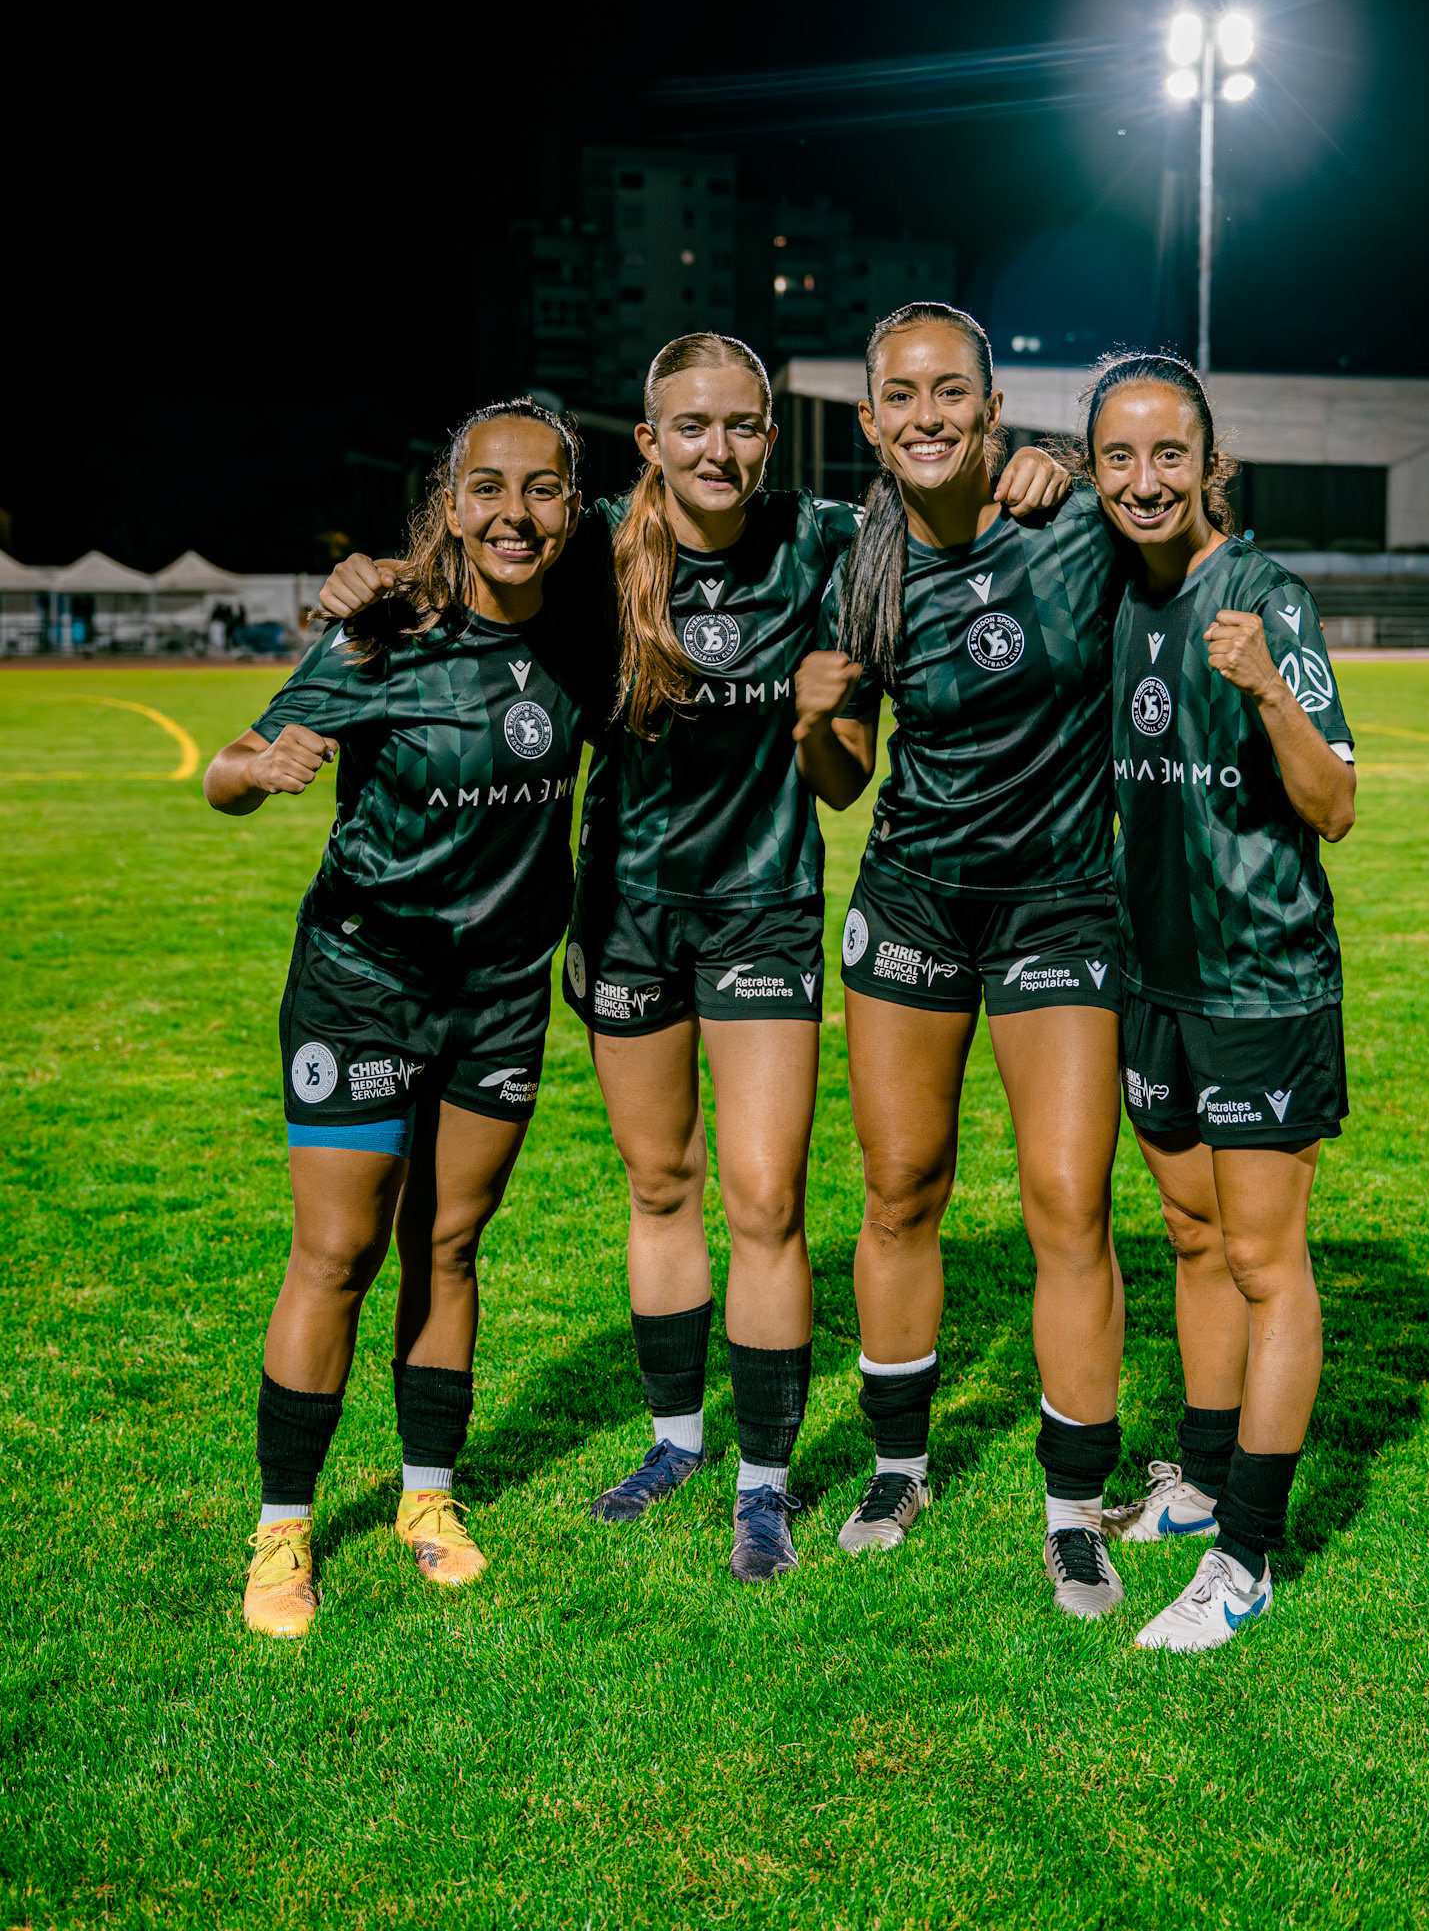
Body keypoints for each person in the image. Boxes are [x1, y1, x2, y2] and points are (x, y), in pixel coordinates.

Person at [317, 336, 1072, 1585]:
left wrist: (1026, 465)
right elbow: (478, 556)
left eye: (740, 425)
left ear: (769, 438)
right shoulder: (596, 543)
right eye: (691, 425)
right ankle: (676, 1438)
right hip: (625, 911)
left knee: (766, 1196)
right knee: (659, 1182)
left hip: (764, 905)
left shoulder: (823, 537)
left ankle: (763, 1485)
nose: (716, 448)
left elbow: (930, 517)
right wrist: (374, 570)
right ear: (649, 441)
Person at [205, 398, 604, 1637]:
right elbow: (228, 766)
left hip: (495, 1001)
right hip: (361, 984)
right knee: (336, 1253)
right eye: (488, 488)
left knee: (450, 1245)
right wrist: (256, 770)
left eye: (541, 489)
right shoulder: (385, 635)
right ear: (449, 504)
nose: (514, 513)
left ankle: (426, 1499)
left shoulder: (590, 636)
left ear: (572, 509)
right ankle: (283, 1528)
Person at [816, 302, 1128, 1622]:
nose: (928, 414)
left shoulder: (1069, 528)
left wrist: (1073, 458)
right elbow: (843, 784)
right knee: (899, 1190)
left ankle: (1072, 1509)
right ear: (872, 420)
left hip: (1059, 903)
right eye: (903, 395)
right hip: (914, 906)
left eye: (954, 392)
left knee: (1066, 1199)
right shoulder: (864, 560)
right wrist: (811, 722)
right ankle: (898, 1468)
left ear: (993, 411)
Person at [1086, 352, 1356, 1652]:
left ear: (1212, 465)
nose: (1144, 481)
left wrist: (1262, 690)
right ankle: (1195, 1487)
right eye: (1118, 459)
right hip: (1155, 981)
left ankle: (1244, 1557)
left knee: (1263, 1260)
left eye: (1167, 456)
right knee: (1191, 1241)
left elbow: (1334, 806)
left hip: (1259, 982)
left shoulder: (1265, 601)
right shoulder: (1114, 598)